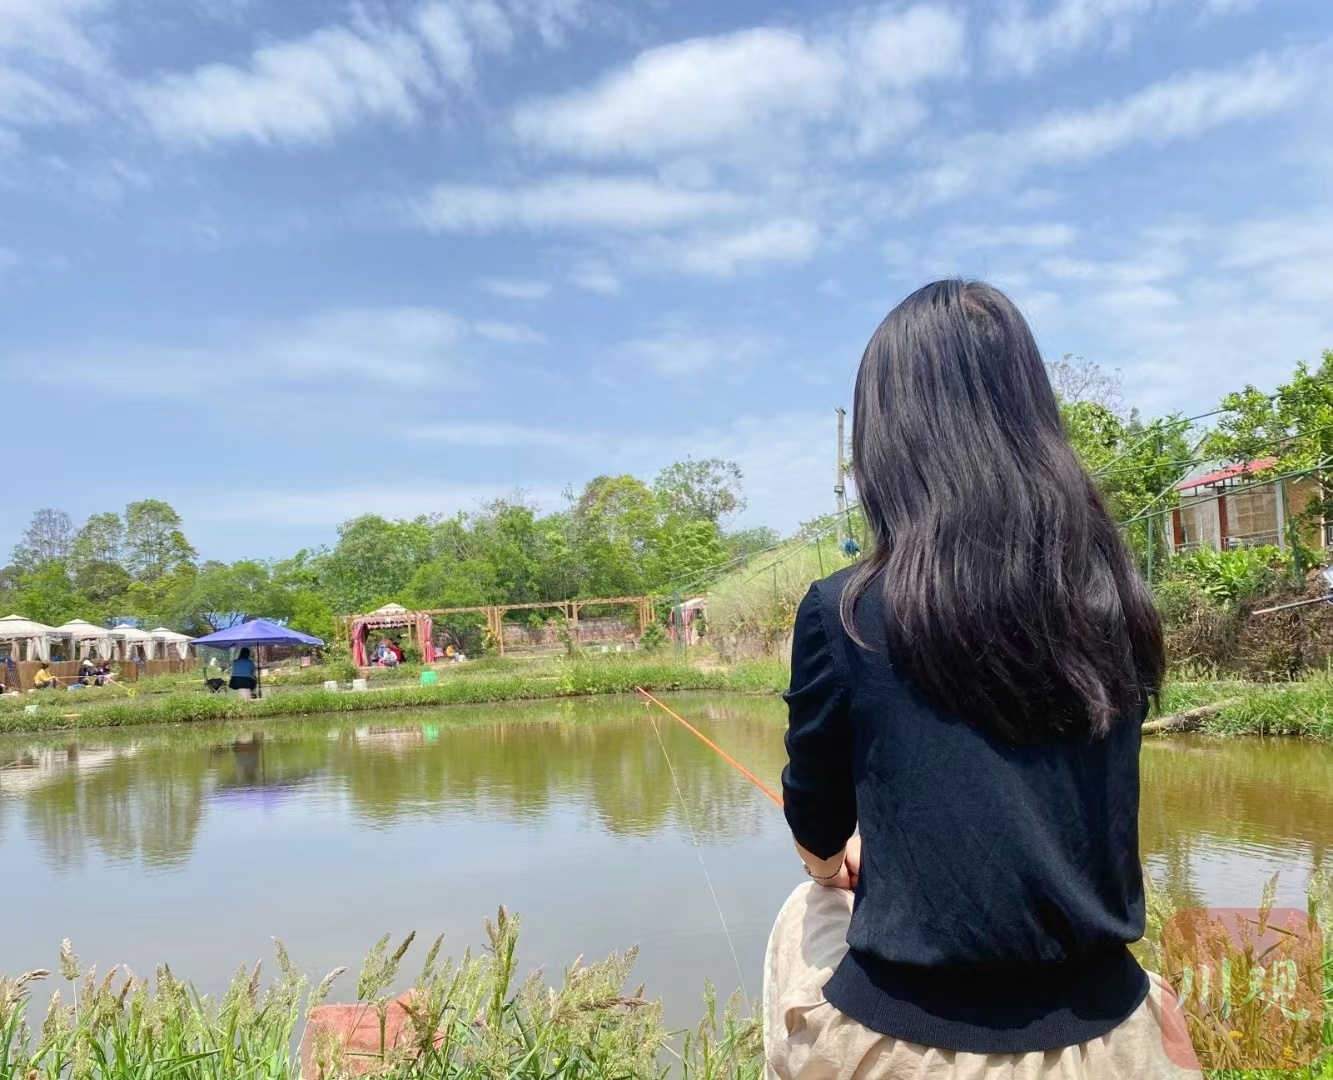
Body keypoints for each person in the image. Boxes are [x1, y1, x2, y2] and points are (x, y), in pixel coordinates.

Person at [765, 280, 1196, 1079]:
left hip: (912, 1034)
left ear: (887, 434)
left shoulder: (843, 611)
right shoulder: (1113, 597)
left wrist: (833, 865)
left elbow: (815, 823)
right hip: (1108, 1025)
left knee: (804, 910)